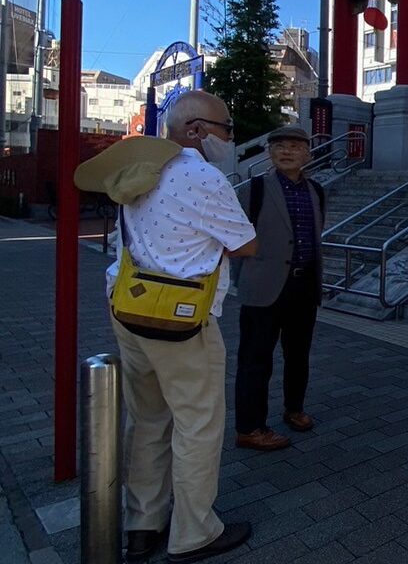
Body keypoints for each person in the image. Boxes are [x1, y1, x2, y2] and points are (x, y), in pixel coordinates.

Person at [104, 91, 256, 563]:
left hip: (129, 305)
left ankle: (142, 524)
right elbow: (245, 244)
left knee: (147, 418)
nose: (230, 137)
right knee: (197, 424)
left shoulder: (144, 168)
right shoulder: (203, 175)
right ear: (196, 130)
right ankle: (194, 533)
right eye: (226, 128)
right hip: (181, 318)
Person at [233, 125, 325, 451]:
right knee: (255, 360)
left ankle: (294, 409)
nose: (287, 152)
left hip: (304, 286)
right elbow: (236, 238)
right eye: (280, 146)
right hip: (264, 287)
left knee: (298, 355)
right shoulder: (255, 189)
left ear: (308, 154)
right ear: (270, 153)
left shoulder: (316, 191)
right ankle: (250, 427)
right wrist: (244, 280)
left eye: (295, 147)